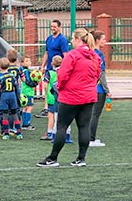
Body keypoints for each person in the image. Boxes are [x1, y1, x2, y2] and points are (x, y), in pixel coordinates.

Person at [37, 28, 101, 168]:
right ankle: (81, 158)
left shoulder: (73, 55)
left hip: (71, 96)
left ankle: (53, 158)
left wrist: (59, 87)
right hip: (88, 96)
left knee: (62, 126)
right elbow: (97, 74)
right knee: (84, 127)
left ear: (78, 40)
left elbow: (63, 75)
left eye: (72, 38)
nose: (71, 41)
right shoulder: (94, 56)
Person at [37, 20, 69, 118]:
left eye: (54, 26)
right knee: (47, 88)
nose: (52, 28)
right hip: (49, 68)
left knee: (56, 88)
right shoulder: (49, 39)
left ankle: (58, 107)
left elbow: (65, 55)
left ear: (59, 27)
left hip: (58, 69)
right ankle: (47, 108)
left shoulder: (62, 39)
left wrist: (64, 68)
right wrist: (43, 66)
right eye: (51, 26)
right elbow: (46, 53)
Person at [89, 30, 111, 147]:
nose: (105, 41)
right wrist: (107, 90)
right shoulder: (98, 54)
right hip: (98, 89)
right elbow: (101, 74)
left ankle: (87, 137)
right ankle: (91, 139)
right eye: (103, 39)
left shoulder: (89, 52)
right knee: (95, 114)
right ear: (97, 40)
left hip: (89, 88)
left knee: (88, 114)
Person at [0, 57, 22, 140]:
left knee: (5, 115)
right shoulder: (12, 76)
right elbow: (17, 87)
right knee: (15, 114)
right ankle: (19, 133)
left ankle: (6, 134)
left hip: (4, 96)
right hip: (12, 95)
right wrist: (18, 98)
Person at [39, 55, 62, 142]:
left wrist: (47, 92)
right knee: (59, 115)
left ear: (52, 63)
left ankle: (50, 133)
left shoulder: (49, 73)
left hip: (51, 96)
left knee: (51, 115)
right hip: (60, 96)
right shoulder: (62, 72)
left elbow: (45, 84)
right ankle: (60, 132)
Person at [20, 56, 36, 130]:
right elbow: (27, 82)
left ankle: (24, 124)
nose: (29, 62)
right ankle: (27, 124)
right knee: (29, 108)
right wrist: (35, 83)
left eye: (29, 60)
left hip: (22, 91)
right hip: (28, 92)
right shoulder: (27, 72)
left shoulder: (21, 71)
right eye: (26, 61)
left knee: (24, 108)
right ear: (22, 62)